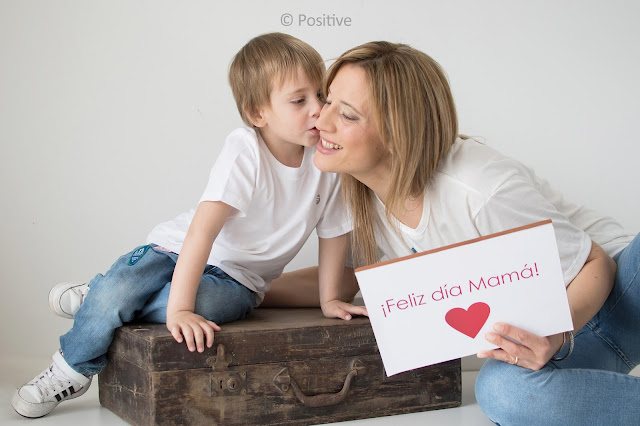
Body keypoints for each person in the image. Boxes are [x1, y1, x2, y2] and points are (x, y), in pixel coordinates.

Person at [272, 40, 639, 424]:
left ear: (399, 134)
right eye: (327, 100)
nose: (321, 120)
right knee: (502, 392)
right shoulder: (362, 196)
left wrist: (558, 334)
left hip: (619, 291)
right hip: (571, 341)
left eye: (346, 115)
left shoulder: (478, 190)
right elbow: (344, 279)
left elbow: (597, 262)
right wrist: (249, 292)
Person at [11, 32, 366, 419]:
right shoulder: (245, 149)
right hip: (177, 249)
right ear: (257, 113)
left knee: (205, 305)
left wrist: (329, 299)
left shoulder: (328, 164)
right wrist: (177, 309)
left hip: (237, 281)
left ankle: (102, 298)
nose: (318, 110)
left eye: (323, 96)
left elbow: (334, 234)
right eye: (300, 100)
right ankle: (72, 366)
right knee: (127, 288)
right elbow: (202, 232)